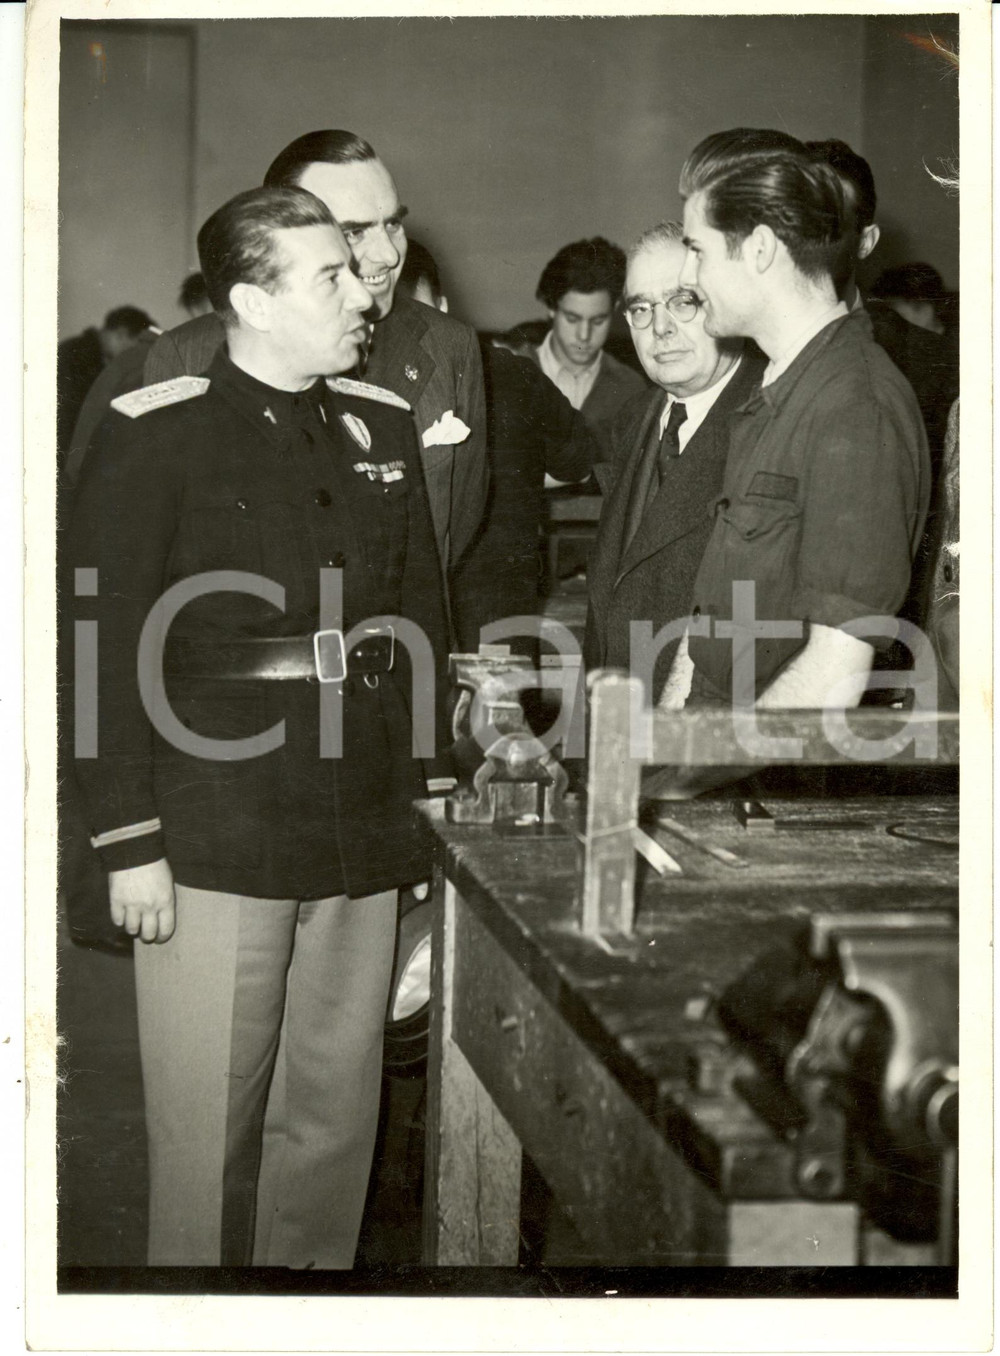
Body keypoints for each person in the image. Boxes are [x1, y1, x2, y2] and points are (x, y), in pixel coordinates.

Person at [64, 184, 451, 1268]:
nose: (363, 292)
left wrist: (431, 782)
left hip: (360, 816)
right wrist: (126, 839)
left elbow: (418, 613)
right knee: (208, 1133)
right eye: (331, 276)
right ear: (252, 301)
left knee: (332, 1120)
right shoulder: (158, 432)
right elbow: (99, 646)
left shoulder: (378, 424)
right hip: (213, 825)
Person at [139, 130, 488, 574]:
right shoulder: (187, 356)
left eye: (393, 224)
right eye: (353, 232)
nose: (388, 254)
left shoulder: (449, 347)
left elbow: (453, 532)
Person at [674, 128, 930, 716]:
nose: (688, 276)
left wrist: (696, 763)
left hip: (760, 764)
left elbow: (830, 676)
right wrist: (663, 746)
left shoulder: (855, 409)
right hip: (710, 745)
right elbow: (711, 636)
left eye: (698, 250)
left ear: (760, 249)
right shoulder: (778, 389)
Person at [583, 222, 765, 704]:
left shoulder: (772, 421)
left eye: (683, 301)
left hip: (705, 727)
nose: (660, 328)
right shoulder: (634, 420)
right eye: (641, 308)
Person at [396, 239, 597, 653]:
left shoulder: (347, 386)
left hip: (399, 640)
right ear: (443, 306)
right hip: (500, 631)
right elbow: (577, 463)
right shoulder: (513, 374)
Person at [805, 140, 958, 461]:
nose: (798, 243)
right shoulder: (738, 348)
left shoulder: (934, 366)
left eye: (825, 226)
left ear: (865, 242)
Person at [515, 237, 647, 459]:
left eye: (598, 321)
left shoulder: (631, 389)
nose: (584, 335)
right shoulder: (509, 375)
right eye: (572, 319)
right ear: (551, 307)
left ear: (615, 308)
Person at [56, 305, 155, 466]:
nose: (132, 355)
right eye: (134, 345)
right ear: (121, 334)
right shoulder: (81, 358)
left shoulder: (82, 351)